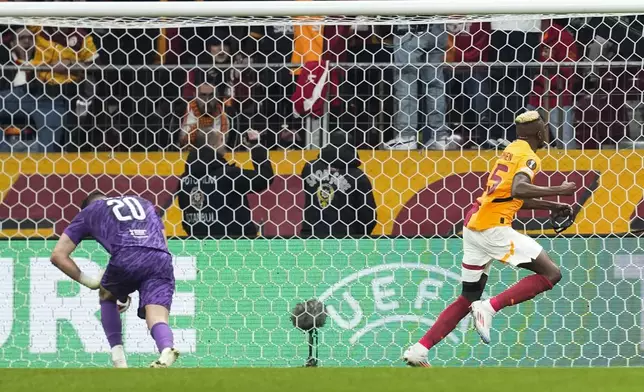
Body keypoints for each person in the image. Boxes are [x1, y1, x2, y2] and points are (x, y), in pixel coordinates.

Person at [403, 111, 577, 366]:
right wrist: (559, 190)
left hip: (474, 225)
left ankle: (419, 349)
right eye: (545, 128)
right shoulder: (529, 157)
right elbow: (519, 188)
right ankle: (490, 307)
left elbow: (513, 196)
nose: (547, 132)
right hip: (494, 229)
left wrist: (552, 205)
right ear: (539, 133)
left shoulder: (511, 150)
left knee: (468, 297)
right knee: (551, 273)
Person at [50, 193, 179, 368]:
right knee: (157, 315)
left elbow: (58, 255)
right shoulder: (144, 203)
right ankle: (166, 349)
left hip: (127, 253)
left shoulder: (90, 211)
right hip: (161, 258)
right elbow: (162, 241)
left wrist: (94, 283)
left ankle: (119, 362)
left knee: (106, 295)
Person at [177, 129, 274, 238]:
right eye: (221, 140)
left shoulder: (184, 179)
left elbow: (185, 212)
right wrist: (256, 146)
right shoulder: (228, 175)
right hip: (234, 245)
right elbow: (264, 178)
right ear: (213, 145)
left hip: (199, 243)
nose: (225, 143)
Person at [300, 135, 377, 238]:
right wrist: (360, 235)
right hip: (346, 237)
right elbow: (368, 214)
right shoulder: (357, 176)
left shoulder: (310, 167)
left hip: (312, 234)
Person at [527, 19, 579, 149]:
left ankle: (571, 168)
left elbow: (569, 69)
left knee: (566, 144)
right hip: (534, 96)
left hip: (558, 98)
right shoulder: (528, 35)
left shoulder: (563, 36)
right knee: (526, 144)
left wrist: (549, 63)